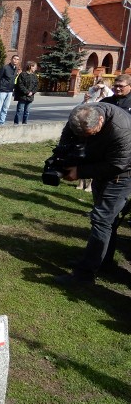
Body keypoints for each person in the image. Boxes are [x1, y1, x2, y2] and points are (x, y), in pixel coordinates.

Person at [54, 103, 131, 285]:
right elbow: (67, 137)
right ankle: (103, 262)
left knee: (102, 220)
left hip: (122, 174)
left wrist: (80, 172)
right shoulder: (78, 115)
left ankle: (84, 275)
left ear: (101, 121)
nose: (85, 138)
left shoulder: (122, 130)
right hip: (101, 167)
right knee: (106, 221)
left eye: (90, 134)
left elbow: (117, 164)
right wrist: (64, 157)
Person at [0, 55, 20, 126]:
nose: (16, 60)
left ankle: (2, 123)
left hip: (10, 91)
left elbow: (13, 80)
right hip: (2, 90)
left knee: (5, 108)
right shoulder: (5, 68)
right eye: (14, 59)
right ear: (11, 59)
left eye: (17, 59)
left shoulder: (16, 69)